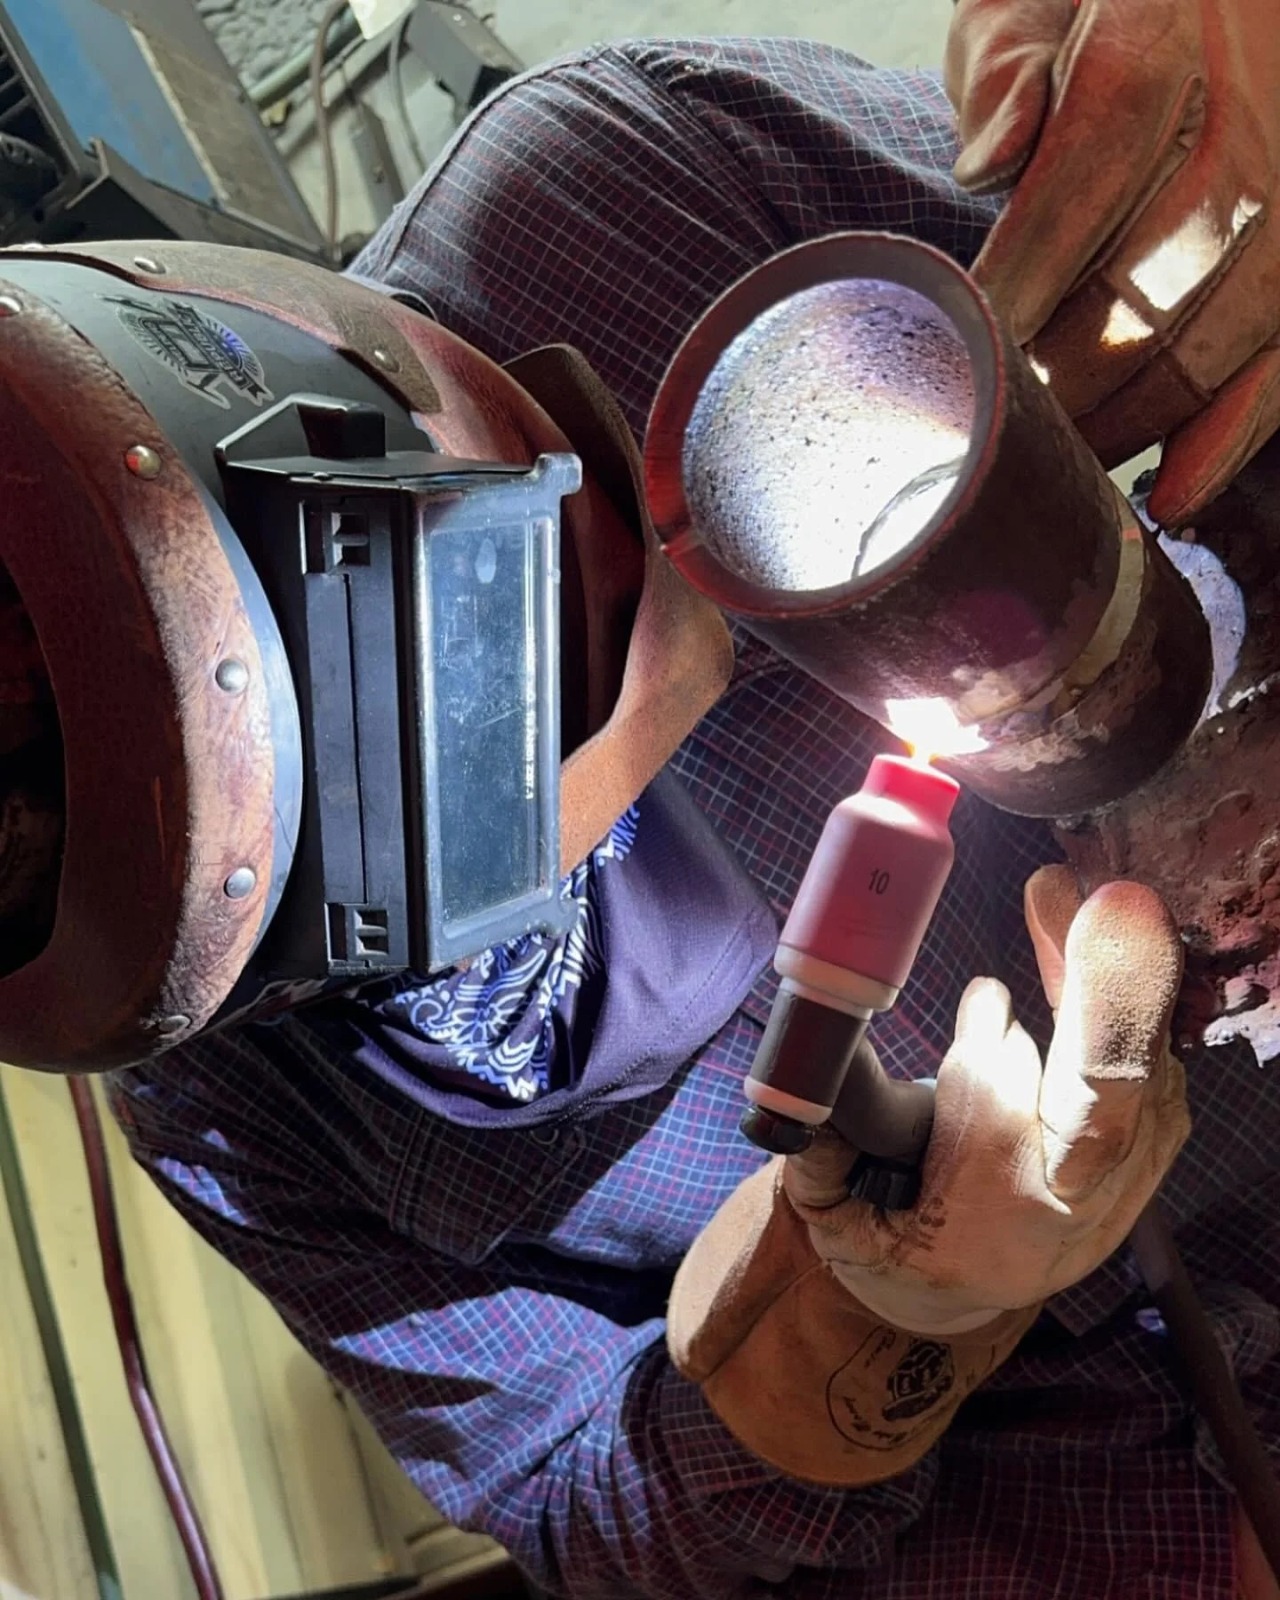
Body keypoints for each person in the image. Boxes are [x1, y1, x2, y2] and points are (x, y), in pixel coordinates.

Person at [103, 5, 1280, 1597]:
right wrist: (865, 1325)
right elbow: (579, 1506)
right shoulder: (227, 1114)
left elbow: (1186, 278)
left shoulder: (609, 212)